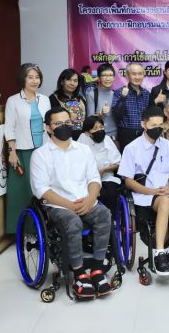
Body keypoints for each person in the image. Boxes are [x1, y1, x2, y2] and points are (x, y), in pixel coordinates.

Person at [30, 107, 113, 297]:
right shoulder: (40, 155)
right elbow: (41, 189)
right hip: (57, 205)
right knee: (73, 222)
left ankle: (97, 269)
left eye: (67, 123)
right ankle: (79, 273)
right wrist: (69, 206)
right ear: (48, 128)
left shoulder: (83, 150)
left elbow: (94, 179)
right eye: (58, 124)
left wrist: (91, 199)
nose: (64, 126)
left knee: (104, 214)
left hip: (85, 200)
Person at [118, 106, 169, 276]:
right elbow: (128, 180)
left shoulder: (168, 146)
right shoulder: (132, 148)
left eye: (160, 125)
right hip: (145, 194)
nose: (157, 128)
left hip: (166, 189)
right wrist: (151, 191)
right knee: (165, 201)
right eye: (153, 125)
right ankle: (159, 252)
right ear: (144, 125)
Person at [4, 63, 51, 234]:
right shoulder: (13, 100)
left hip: (44, 150)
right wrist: (12, 152)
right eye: (30, 77)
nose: (34, 81)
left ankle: (43, 229)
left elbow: (49, 125)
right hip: (23, 151)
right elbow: (9, 128)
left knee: (44, 189)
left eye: (37, 77)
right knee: (23, 192)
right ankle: (22, 230)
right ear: (23, 79)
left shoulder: (44, 99)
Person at [77, 115, 122, 213]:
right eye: (95, 129)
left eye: (101, 127)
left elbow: (118, 163)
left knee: (109, 192)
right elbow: (77, 165)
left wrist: (104, 170)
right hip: (86, 180)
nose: (99, 130)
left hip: (106, 177)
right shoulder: (82, 140)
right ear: (87, 132)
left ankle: (111, 217)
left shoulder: (107, 139)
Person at [111, 63, 150, 151]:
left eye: (140, 74)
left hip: (144, 134)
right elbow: (116, 115)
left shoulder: (147, 93)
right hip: (126, 135)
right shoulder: (119, 92)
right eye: (134, 74)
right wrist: (123, 98)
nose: (137, 77)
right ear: (127, 76)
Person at [49, 68, 86, 140]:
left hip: (81, 139)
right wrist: (69, 119)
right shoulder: (53, 98)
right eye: (69, 80)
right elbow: (52, 121)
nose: (72, 83)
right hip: (62, 138)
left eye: (75, 81)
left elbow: (85, 119)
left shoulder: (81, 98)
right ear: (62, 81)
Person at [86, 63, 117, 141]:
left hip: (115, 136)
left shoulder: (116, 94)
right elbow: (89, 119)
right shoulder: (92, 94)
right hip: (98, 135)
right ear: (99, 78)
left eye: (111, 75)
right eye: (104, 75)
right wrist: (100, 113)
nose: (108, 78)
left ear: (114, 78)